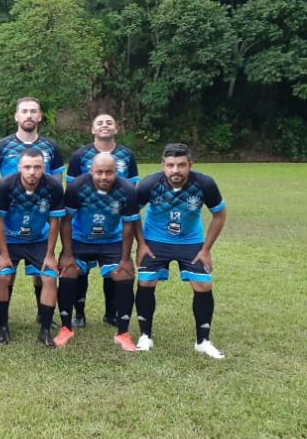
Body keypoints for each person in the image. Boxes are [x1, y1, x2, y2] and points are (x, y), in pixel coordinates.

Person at [135, 143, 227, 358]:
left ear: (190, 165)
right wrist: (141, 244)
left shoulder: (204, 184)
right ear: (163, 166)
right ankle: (145, 336)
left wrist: (206, 249)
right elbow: (130, 214)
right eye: (170, 165)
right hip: (155, 240)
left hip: (190, 241)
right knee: (146, 281)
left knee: (203, 284)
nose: (175, 170)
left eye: (181, 165)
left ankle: (203, 341)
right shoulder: (149, 184)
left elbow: (220, 215)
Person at [0, 97, 65, 326]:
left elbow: (57, 179)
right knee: (7, 271)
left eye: (33, 111)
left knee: (40, 272)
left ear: (40, 116)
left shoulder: (51, 147)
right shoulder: (1, 146)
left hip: (39, 218)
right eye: (24, 111)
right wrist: (11, 195)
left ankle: (43, 315)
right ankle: (2, 319)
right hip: (10, 218)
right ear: (16, 116)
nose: (29, 115)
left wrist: (40, 199)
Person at [59, 153, 141, 352]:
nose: (104, 177)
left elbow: (129, 225)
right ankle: (66, 328)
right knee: (68, 272)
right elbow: (66, 221)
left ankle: (123, 333)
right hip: (80, 240)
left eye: (109, 172)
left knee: (124, 275)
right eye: (99, 172)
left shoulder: (127, 190)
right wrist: (67, 254)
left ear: (116, 172)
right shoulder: (77, 187)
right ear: (91, 171)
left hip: (112, 241)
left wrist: (125, 258)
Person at [66, 113, 140, 328]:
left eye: (109, 122)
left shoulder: (127, 155)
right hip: (84, 224)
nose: (105, 126)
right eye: (100, 122)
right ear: (92, 129)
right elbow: (72, 190)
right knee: (79, 270)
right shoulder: (80, 156)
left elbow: (131, 189)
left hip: (114, 222)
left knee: (113, 272)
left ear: (116, 128)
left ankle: (111, 313)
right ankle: (79, 314)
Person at [0, 148, 65, 348]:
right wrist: (3, 255)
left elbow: (55, 222)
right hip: (10, 240)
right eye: (27, 167)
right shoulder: (5, 186)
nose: (32, 172)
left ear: (44, 168)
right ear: (19, 168)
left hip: (38, 240)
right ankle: (3, 327)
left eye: (37, 167)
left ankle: (45, 330)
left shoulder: (53, 187)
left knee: (49, 277)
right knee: (4, 276)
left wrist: (50, 255)